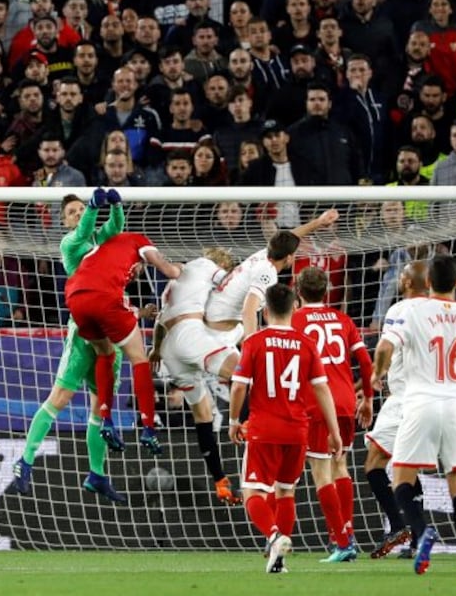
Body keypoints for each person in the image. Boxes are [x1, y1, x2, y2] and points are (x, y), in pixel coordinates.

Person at [371, 254, 456, 580]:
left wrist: (377, 374)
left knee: (401, 477)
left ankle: (421, 530)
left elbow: (385, 347)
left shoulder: (412, 311)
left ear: (428, 283)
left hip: (420, 402)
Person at [14, 190, 136, 503]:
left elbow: (117, 225)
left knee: (99, 406)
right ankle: (25, 461)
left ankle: (96, 475)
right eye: (73, 211)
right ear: (64, 220)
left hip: (112, 332)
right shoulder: (71, 245)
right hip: (83, 333)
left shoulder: (103, 244)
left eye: (82, 208)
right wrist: (94, 207)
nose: (79, 214)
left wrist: (116, 204)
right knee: (61, 396)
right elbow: (84, 230)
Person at [229, 283, 342, 574]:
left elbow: (239, 386)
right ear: (295, 308)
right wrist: (335, 432)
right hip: (297, 430)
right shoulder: (307, 344)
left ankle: (275, 536)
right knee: (285, 492)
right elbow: (322, 391)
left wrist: (232, 420)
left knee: (252, 493)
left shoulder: (255, 341)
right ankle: (279, 560)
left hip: (264, 428)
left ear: (265, 312)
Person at [64, 218, 183, 455]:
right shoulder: (138, 240)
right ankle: (148, 427)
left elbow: (108, 300)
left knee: (105, 353)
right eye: (141, 268)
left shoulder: (99, 251)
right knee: (140, 359)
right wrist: (183, 268)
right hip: (105, 298)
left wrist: (138, 312)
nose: (138, 273)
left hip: (75, 299)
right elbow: (169, 270)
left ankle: (106, 419)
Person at [292, 266, 374, 562]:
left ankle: (342, 541)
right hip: (345, 402)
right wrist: (368, 399)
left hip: (316, 403)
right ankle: (347, 533)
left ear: (297, 291)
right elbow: (366, 362)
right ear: (326, 291)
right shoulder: (343, 319)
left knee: (321, 472)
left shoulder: (295, 320)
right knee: (341, 466)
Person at [151, 247, 242, 505]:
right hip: (189, 334)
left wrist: (156, 350)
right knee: (244, 372)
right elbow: (229, 285)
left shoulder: (174, 284)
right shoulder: (205, 265)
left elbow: (159, 320)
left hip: (169, 348)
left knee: (203, 415)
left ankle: (220, 481)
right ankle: (249, 424)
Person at [363, 261, 428, 560]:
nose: (400, 278)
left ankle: (400, 524)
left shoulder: (400, 310)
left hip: (405, 398)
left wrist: (377, 374)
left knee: (374, 464)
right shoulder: (443, 312)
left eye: (402, 275)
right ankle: (418, 536)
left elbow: (386, 348)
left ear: (408, 282)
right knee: (408, 467)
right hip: (433, 398)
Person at [205, 209, 339, 339]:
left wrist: (319, 222)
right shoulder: (267, 273)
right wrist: (252, 348)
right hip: (216, 332)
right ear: (288, 258)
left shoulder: (265, 254)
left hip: (218, 320)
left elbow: (289, 238)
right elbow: (248, 311)